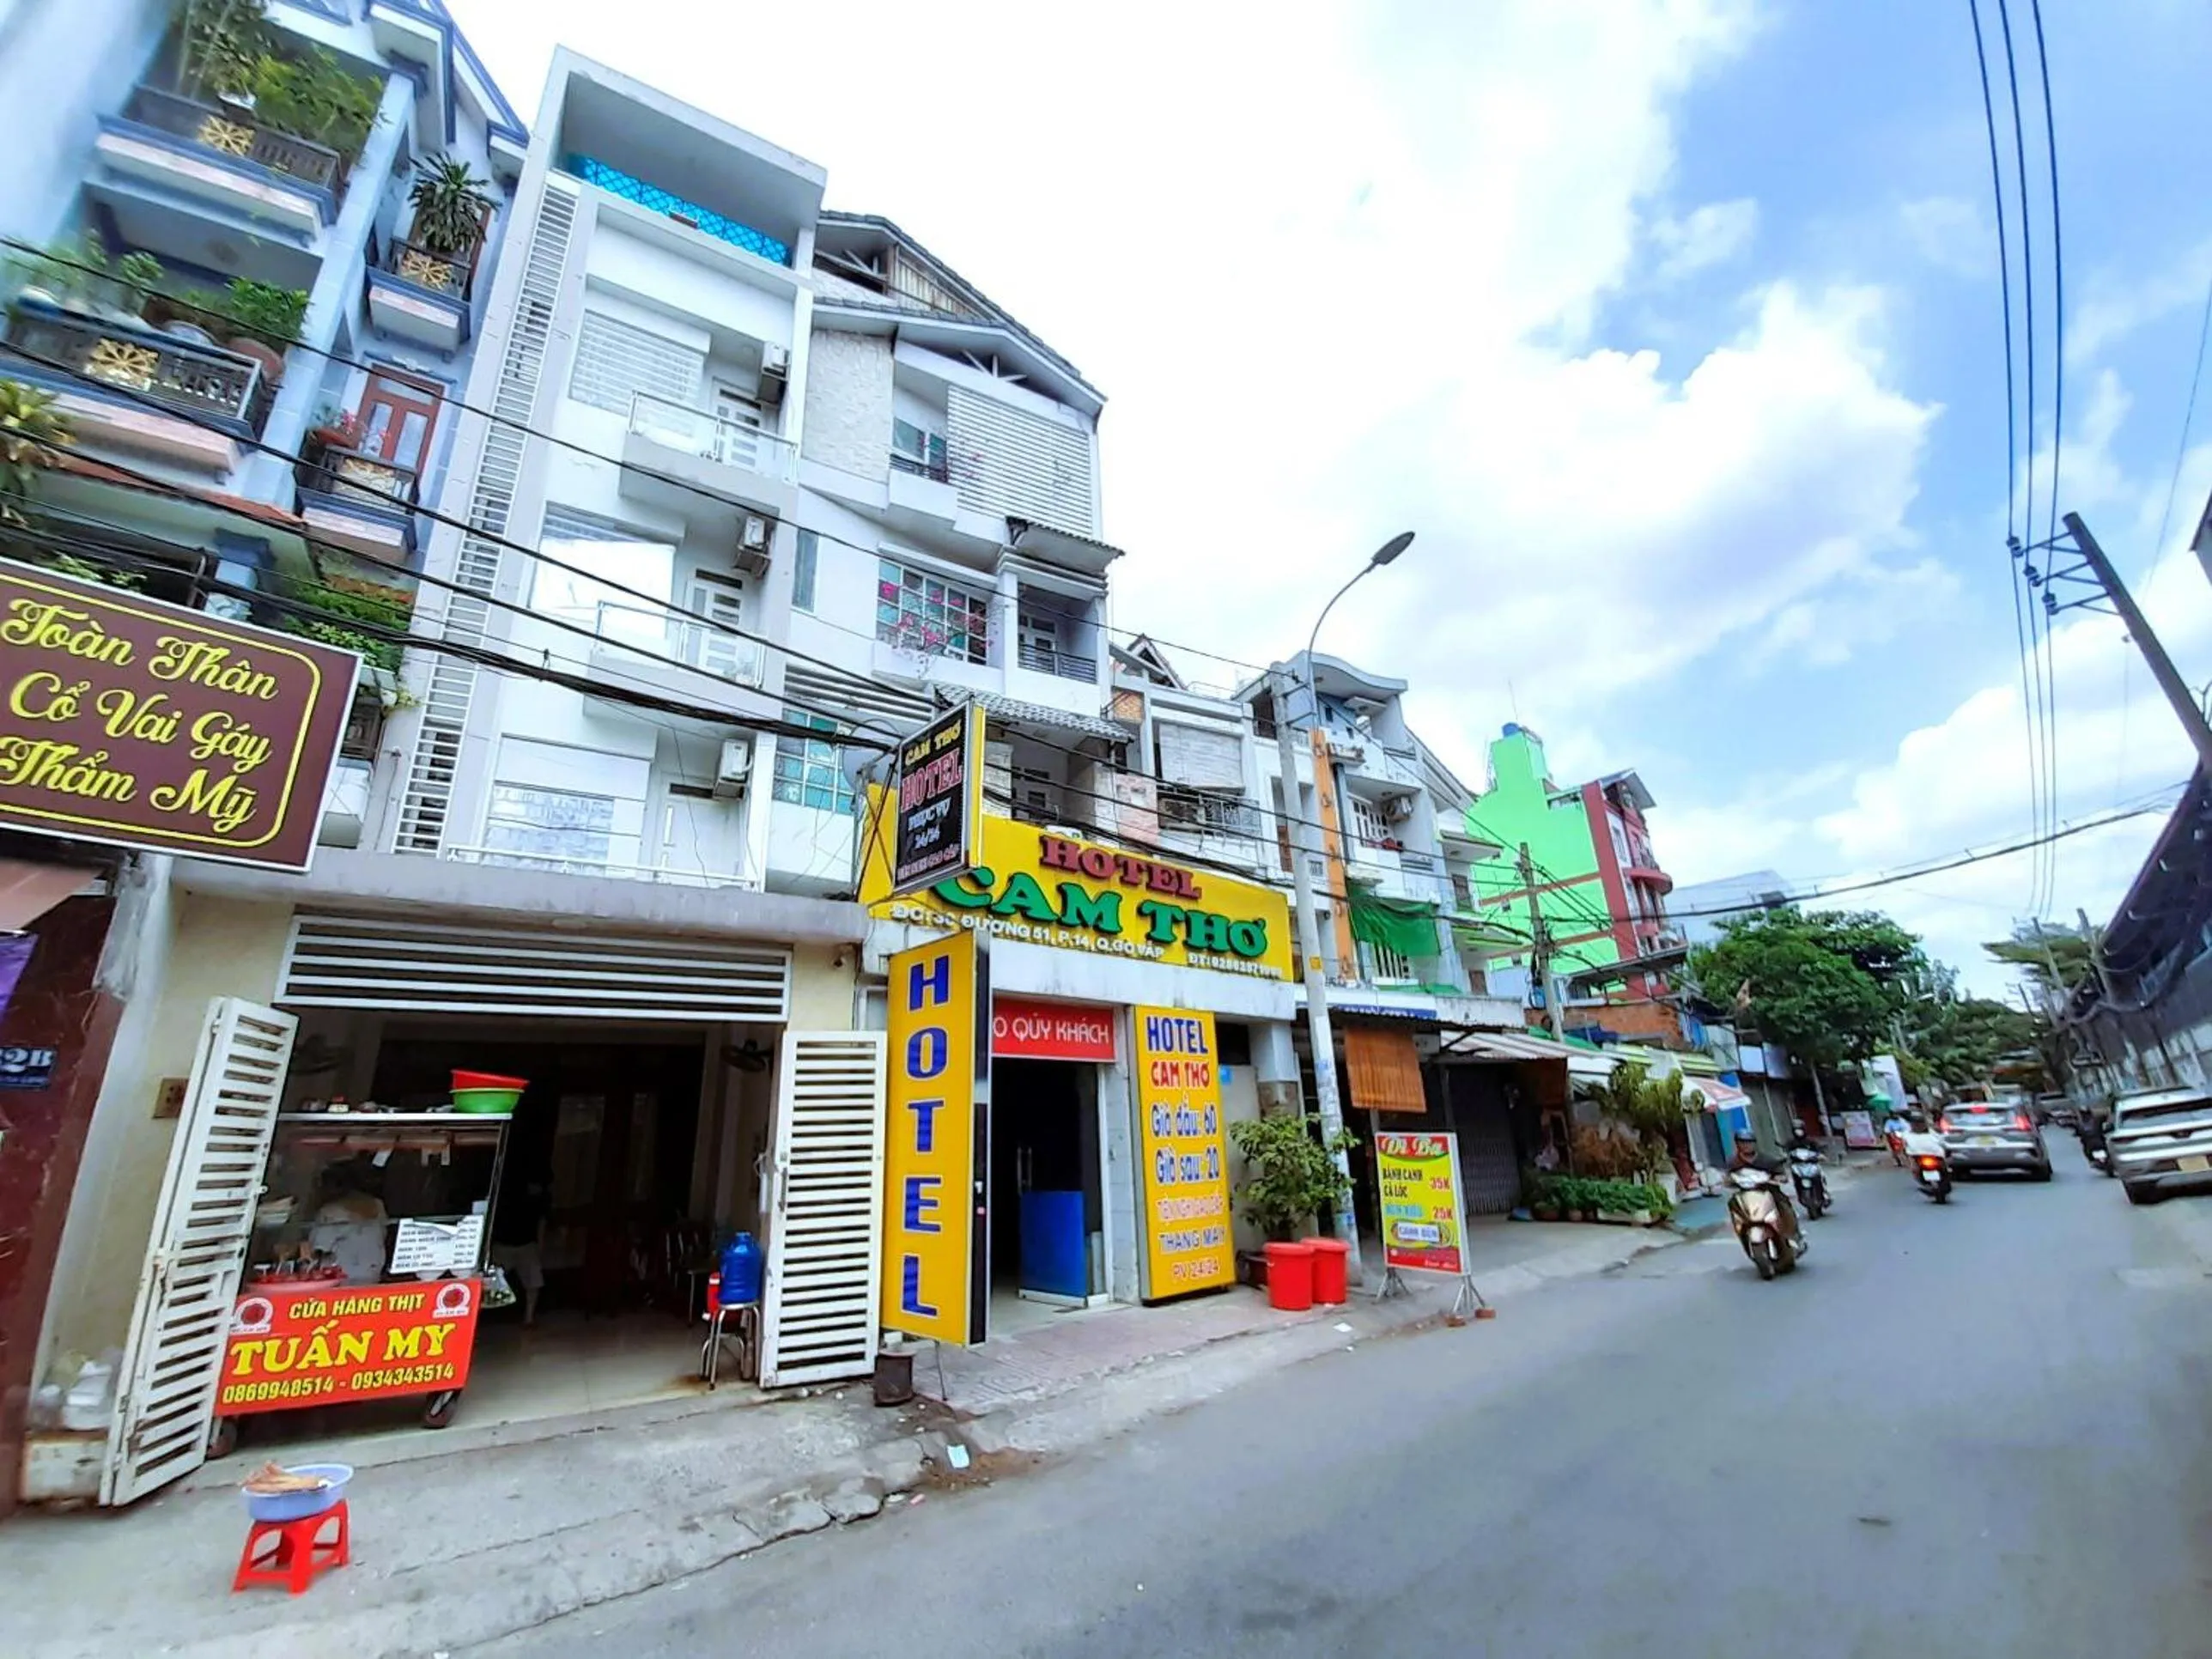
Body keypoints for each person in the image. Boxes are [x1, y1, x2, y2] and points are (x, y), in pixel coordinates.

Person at [491, 1176, 550, 1328]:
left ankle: (529, 1318)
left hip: (525, 1245)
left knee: (533, 1282)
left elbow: (542, 1222)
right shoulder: (504, 1195)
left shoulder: (540, 1198)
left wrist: (539, 1247)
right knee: (491, 1281)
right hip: (504, 1244)